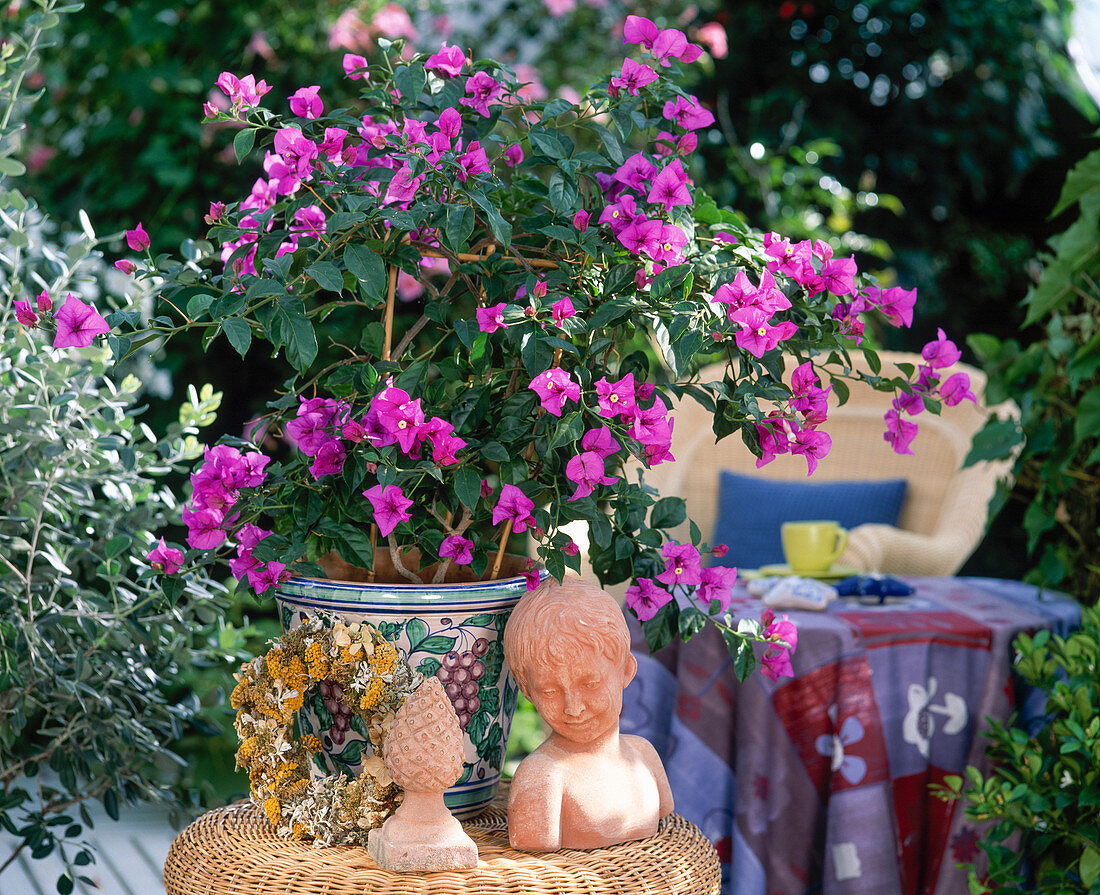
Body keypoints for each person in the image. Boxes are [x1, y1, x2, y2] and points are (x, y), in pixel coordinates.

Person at [502, 577, 674, 851]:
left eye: (590, 684)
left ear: (626, 670)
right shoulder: (543, 777)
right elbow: (539, 864)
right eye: (549, 691)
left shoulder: (644, 755)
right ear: (527, 691)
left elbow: (667, 820)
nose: (573, 707)